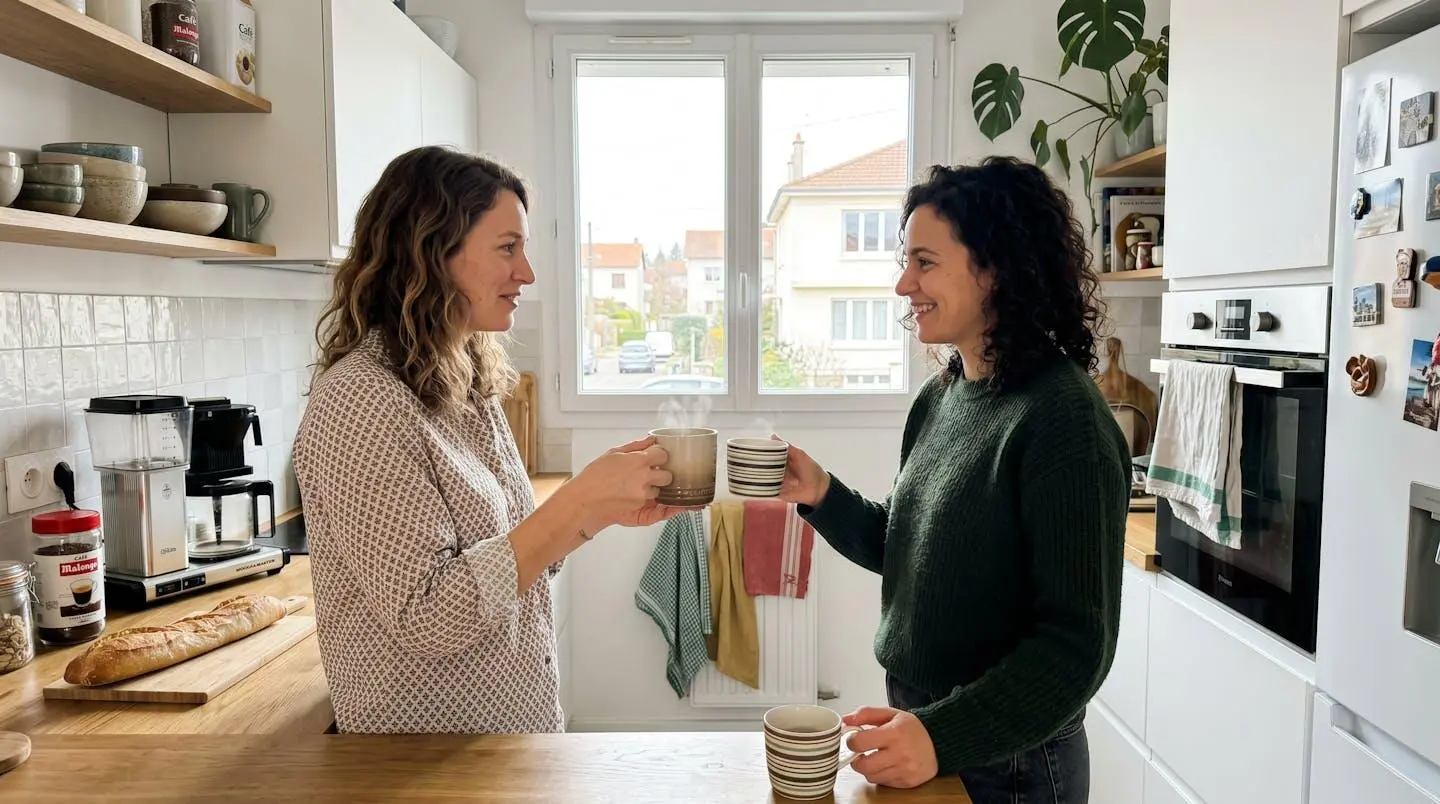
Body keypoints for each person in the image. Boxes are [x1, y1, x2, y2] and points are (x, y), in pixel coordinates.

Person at [293, 145, 685, 734]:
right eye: (508, 248)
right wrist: (579, 499)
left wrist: (597, 511)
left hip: (504, 747)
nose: (526, 274)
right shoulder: (360, 401)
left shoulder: (465, 381)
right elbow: (427, 617)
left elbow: (513, 562)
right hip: (425, 767)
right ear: (431, 251)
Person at [777, 157, 1130, 803]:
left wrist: (942, 735)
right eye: (904, 261)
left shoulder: (1063, 421)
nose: (902, 285)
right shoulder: (942, 396)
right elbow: (911, 547)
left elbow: (1076, 647)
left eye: (925, 262)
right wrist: (821, 494)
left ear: (995, 269)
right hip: (930, 725)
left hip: (1013, 757)